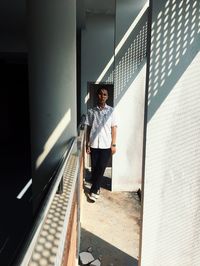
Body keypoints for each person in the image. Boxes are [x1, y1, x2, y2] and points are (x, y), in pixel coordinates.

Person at [85, 86, 117, 202]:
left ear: (107, 97)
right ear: (97, 95)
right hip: (93, 144)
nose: (102, 96)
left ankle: (93, 191)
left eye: (104, 94)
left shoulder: (111, 111)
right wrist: (87, 144)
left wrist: (114, 144)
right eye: (100, 94)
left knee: (102, 167)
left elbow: (114, 128)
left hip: (106, 145)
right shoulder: (91, 111)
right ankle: (97, 188)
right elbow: (88, 129)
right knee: (95, 168)